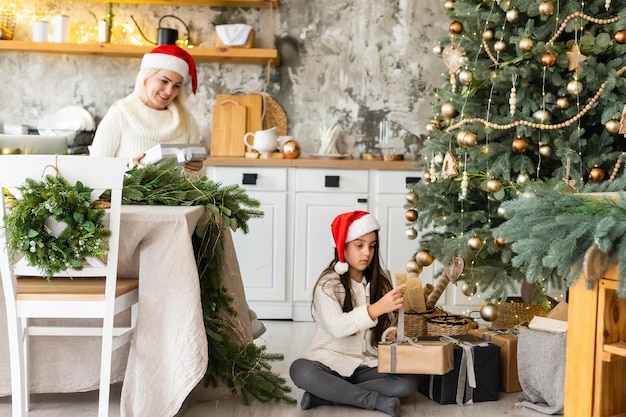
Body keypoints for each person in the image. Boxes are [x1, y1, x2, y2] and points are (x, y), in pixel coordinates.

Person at [289, 210, 419, 417]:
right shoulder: (328, 284)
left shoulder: (380, 282)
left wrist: (390, 333)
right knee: (300, 370)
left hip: (365, 365)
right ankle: (373, 400)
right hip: (328, 363)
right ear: (343, 246)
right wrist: (376, 308)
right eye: (359, 245)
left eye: (372, 246)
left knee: (407, 383)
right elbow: (337, 326)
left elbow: (385, 326)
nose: (366, 252)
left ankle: (325, 395)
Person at [89, 44, 204, 171]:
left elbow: (199, 180)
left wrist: (197, 168)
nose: (169, 91)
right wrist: (129, 169)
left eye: (176, 86)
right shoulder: (120, 113)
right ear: (146, 77)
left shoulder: (187, 120)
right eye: (164, 81)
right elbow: (96, 168)